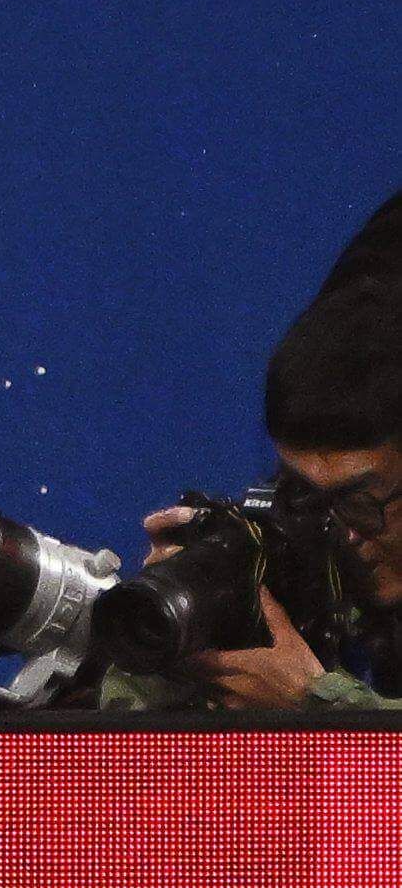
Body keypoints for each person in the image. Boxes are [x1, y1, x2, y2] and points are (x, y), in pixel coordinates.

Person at [101, 277, 402, 712]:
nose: (343, 534)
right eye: (303, 492)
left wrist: (313, 703)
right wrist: (190, 619)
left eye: (360, 501)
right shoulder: (316, 555)